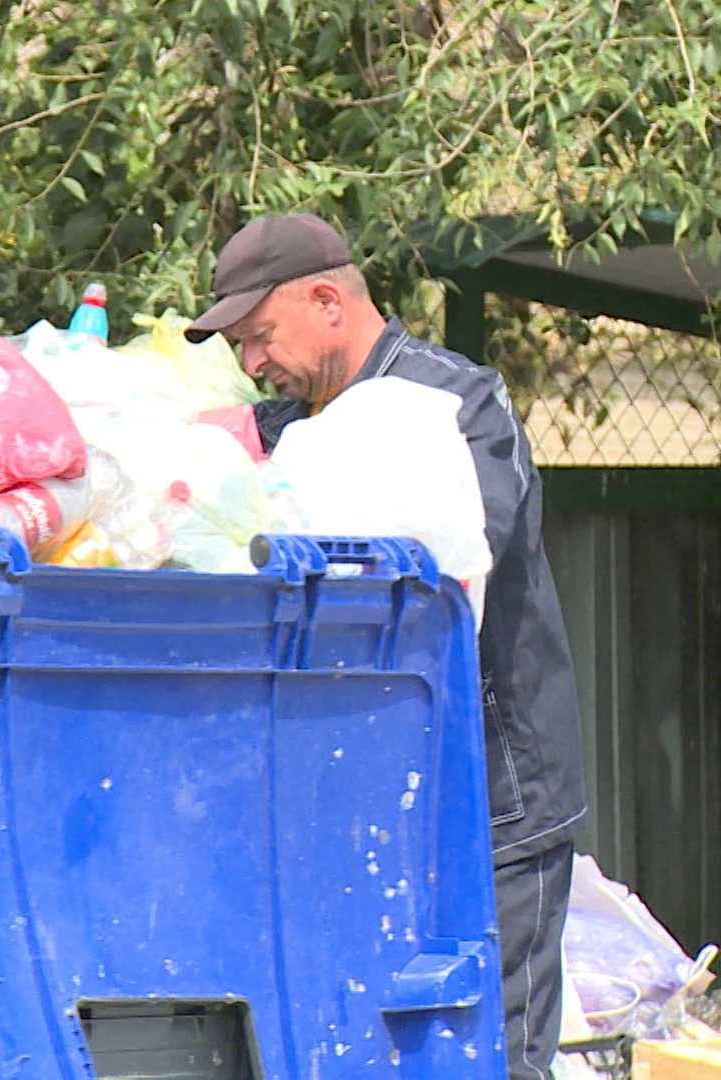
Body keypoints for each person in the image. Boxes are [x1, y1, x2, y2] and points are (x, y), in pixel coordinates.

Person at [188, 213, 587, 1080]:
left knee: (494, 1056)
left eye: (260, 336)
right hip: (362, 803)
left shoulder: (451, 407)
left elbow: (443, 563)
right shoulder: (291, 423)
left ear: (328, 300)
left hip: (490, 805)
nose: (254, 363)